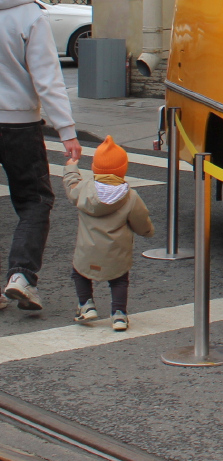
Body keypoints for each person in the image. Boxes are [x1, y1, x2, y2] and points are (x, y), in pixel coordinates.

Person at [0, 0, 81, 312]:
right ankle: (21, 276)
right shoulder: (31, 14)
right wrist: (66, 132)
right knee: (34, 200)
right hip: (19, 123)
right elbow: (47, 79)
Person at [64, 136, 152, 331]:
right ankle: (119, 314)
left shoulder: (85, 188)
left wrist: (71, 167)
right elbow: (140, 220)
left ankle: (86, 305)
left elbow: (71, 189)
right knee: (119, 280)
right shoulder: (130, 196)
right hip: (116, 253)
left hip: (86, 251)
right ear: (123, 169)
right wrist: (148, 231)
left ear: (95, 167)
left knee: (79, 274)